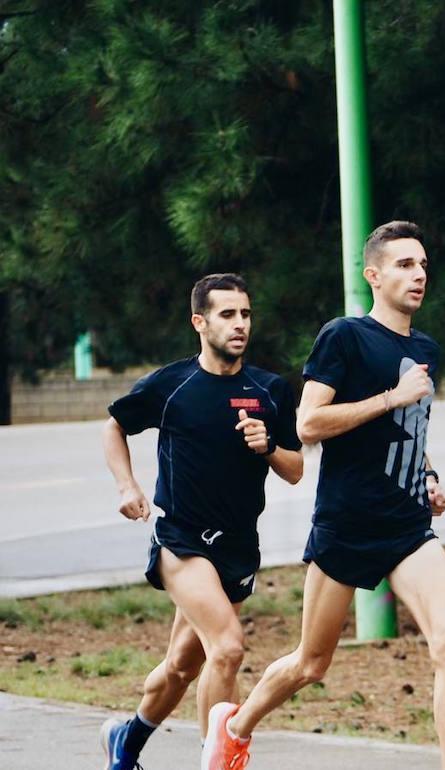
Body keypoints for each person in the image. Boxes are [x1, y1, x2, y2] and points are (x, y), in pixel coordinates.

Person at [202, 221, 445, 770]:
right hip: (347, 525)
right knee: (311, 663)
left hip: (408, 528)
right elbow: (309, 422)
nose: (418, 275)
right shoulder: (344, 336)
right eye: (403, 265)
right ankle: (236, 727)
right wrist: (392, 396)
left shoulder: (426, 349)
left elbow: (412, 433)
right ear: (373, 274)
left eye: (422, 265)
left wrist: (430, 478)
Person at [100, 273, 303, 770]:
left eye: (246, 314)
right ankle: (215, 761)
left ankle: (124, 744)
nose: (239, 325)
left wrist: (268, 446)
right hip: (182, 538)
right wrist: (128, 487)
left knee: (180, 667)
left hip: (237, 546)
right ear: (200, 321)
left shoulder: (270, 390)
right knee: (229, 647)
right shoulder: (172, 385)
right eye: (227, 314)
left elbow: (296, 470)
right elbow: (115, 426)